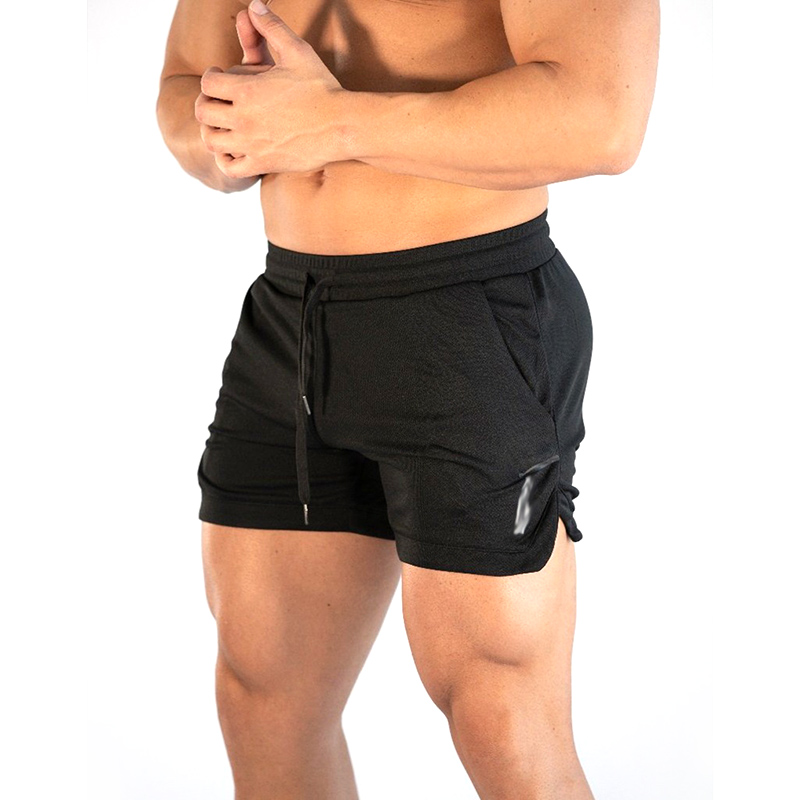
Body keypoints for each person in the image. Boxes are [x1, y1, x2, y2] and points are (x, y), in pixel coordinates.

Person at [156, 0, 659, 797]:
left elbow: (602, 113)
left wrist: (332, 124)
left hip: (467, 311)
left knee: (500, 714)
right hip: (293, 314)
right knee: (263, 696)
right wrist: (233, 132)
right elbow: (185, 84)